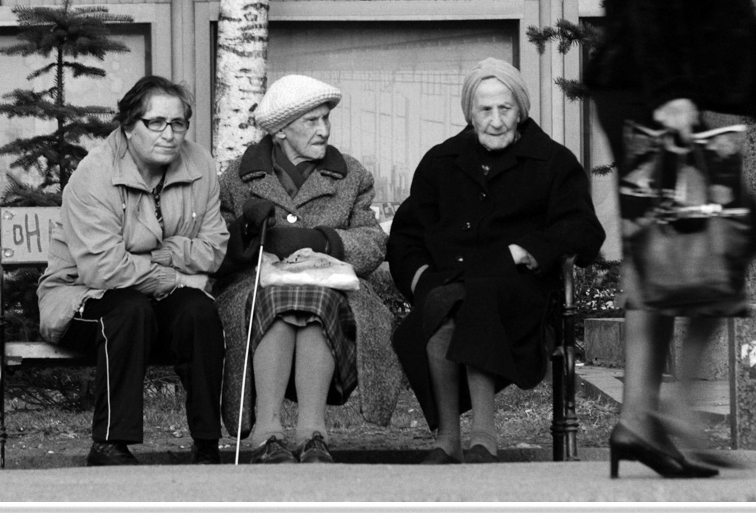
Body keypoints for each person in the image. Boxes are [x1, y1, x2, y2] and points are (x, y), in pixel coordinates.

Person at [584, 0, 756, 478]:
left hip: (661, 83)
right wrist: (671, 90)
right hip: (644, 80)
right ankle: (646, 418)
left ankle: (662, 414)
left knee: (716, 240)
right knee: (668, 242)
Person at [387, 58, 605, 464]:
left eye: (505, 108)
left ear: (520, 110)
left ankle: (483, 436)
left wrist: (527, 250)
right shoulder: (441, 161)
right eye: (485, 110)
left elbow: (584, 230)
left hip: (521, 297)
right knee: (443, 306)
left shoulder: (553, 161)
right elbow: (406, 236)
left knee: (475, 298)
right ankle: (448, 440)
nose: (496, 120)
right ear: (470, 114)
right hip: (449, 284)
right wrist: (419, 279)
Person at [37, 75, 229, 466]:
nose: (169, 134)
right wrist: (176, 277)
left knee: (199, 311)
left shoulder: (200, 164)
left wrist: (163, 254)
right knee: (128, 310)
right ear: (128, 126)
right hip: (80, 295)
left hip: (152, 298)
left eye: (178, 123)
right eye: (155, 122)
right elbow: (103, 269)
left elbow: (213, 249)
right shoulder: (95, 173)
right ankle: (110, 445)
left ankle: (208, 444)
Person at [214, 75, 392, 464]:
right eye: (311, 121)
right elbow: (216, 249)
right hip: (254, 288)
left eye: (326, 118)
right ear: (280, 130)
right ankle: (268, 432)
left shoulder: (352, 175)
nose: (323, 129)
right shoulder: (236, 178)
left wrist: (326, 242)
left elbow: (374, 242)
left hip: (334, 290)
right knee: (281, 301)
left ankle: (311, 432)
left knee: (313, 299)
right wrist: (247, 231)